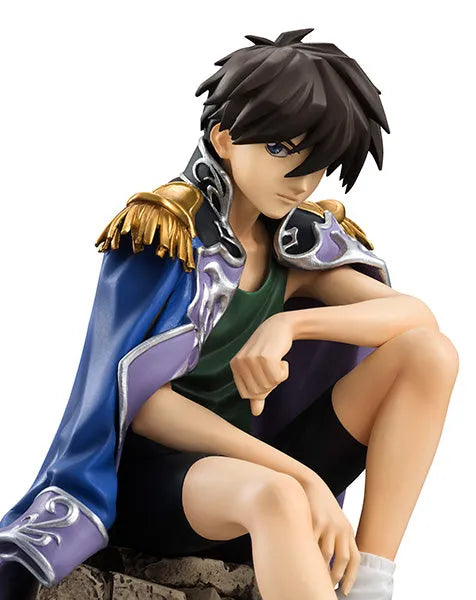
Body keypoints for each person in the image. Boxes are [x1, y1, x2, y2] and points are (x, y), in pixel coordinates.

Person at [0, 29, 459, 600]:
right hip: (159, 488)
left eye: (317, 163)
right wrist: (300, 475)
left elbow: (416, 319)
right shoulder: (166, 234)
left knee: (428, 355)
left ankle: (367, 580)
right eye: (280, 149)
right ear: (223, 138)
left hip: (254, 474)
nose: (301, 181)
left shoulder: (295, 247)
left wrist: (289, 323)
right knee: (278, 494)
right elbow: (141, 403)